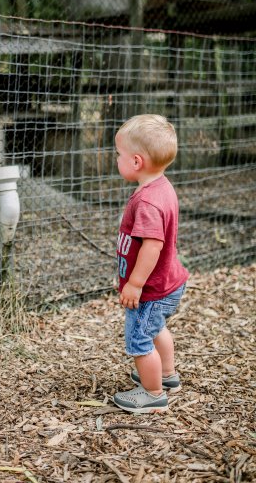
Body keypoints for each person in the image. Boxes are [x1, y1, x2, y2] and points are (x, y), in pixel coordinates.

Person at [112, 114, 189, 414]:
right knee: (156, 328)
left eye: (118, 154)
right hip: (168, 282)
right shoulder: (161, 187)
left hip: (152, 289)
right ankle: (167, 376)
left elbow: (153, 246)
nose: (116, 159)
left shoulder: (146, 202)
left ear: (135, 162)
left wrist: (135, 283)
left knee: (139, 337)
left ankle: (153, 393)